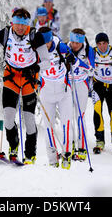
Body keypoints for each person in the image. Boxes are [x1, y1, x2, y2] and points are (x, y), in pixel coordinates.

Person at [0, 7, 51, 165]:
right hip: (12, 77)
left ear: (27, 24)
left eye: (23, 24)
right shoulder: (5, 33)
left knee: (29, 119)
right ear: (12, 23)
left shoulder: (35, 35)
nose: (20, 28)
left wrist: (35, 68)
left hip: (29, 79)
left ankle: (30, 154)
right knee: (8, 117)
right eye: (17, 24)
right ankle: (13, 147)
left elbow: (46, 61)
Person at [37, 26, 74, 169]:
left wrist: (71, 58)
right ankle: (52, 159)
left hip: (64, 92)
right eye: (42, 43)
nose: (45, 46)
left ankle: (66, 155)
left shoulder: (61, 46)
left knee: (66, 125)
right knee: (48, 128)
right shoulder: (36, 50)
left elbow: (74, 60)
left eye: (47, 43)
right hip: (46, 93)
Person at [67, 28, 95, 161]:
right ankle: (70, 145)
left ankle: (82, 147)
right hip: (67, 84)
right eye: (72, 42)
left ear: (82, 42)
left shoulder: (88, 50)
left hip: (81, 84)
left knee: (80, 115)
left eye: (77, 43)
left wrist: (79, 63)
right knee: (67, 115)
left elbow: (92, 71)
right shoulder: (65, 47)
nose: (74, 45)